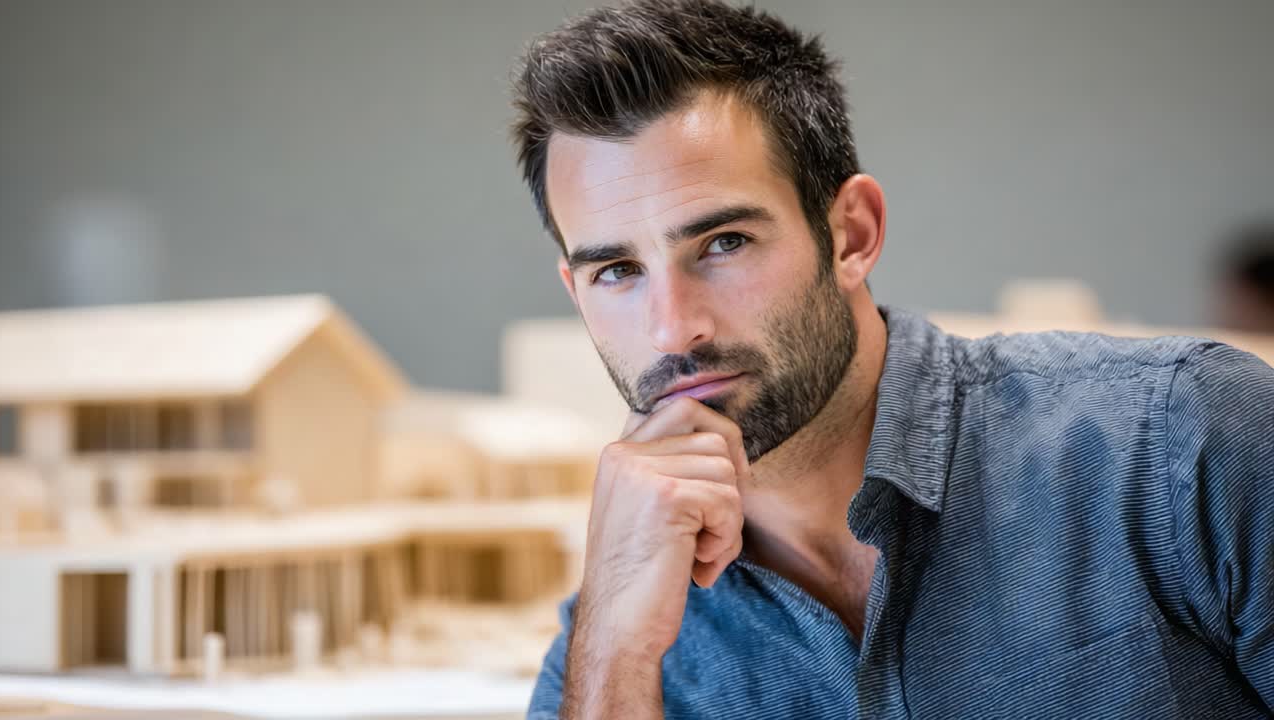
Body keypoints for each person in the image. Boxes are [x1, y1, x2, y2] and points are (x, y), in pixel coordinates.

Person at [508, 1, 1274, 717]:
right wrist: (614, 650)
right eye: (618, 271)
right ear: (578, 293)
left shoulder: (1188, 443)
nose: (674, 329)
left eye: (724, 243)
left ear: (852, 234)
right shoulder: (618, 630)